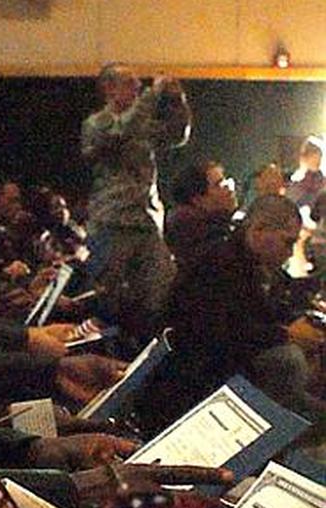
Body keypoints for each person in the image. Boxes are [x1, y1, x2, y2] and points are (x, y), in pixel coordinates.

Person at [144, 195, 324, 431]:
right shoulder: (218, 263)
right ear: (258, 230)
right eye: (287, 242)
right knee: (288, 360)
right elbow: (220, 336)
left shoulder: (248, 261)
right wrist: (286, 334)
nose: (290, 253)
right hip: (192, 385)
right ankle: (266, 436)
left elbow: (267, 312)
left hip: (223, 372)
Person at [81, 63, 191, 343]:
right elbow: (122, 130)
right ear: (109, 88)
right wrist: (153, 94)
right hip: (112, 221)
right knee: (109, 297)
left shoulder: (142, 122)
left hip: (145, 220)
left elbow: (177, 136)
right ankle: (105, 352)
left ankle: (149, 349)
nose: (138, 88)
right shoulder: (97, 123)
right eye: (130, 83)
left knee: (160, 291)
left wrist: (177, 99)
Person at [165, 160, 237, 267]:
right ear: (198, 200)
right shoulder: (199, 236)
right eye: (219, 185)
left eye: (226, 182)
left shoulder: (218, 226)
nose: (230, 190)